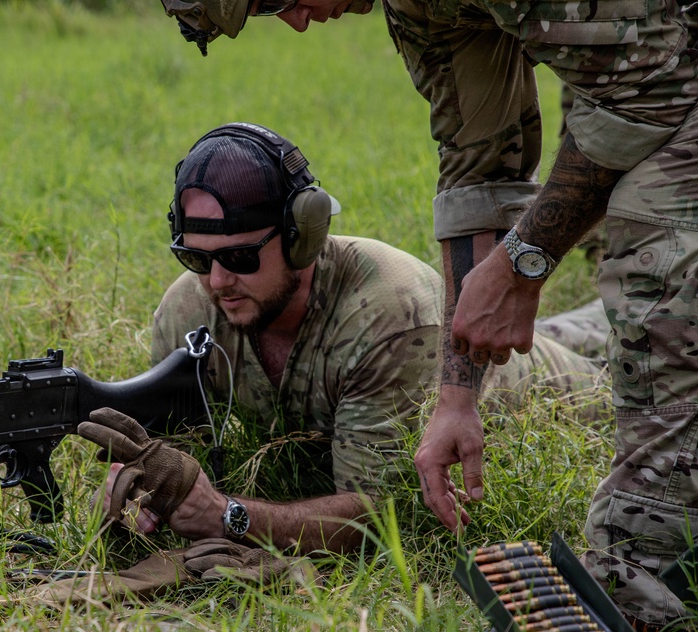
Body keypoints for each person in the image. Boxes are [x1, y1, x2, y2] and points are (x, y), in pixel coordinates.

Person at [156, 0, 698, 632]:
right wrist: (457, 395)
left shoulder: (386, 310)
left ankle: (644, 587)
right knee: (590, 330)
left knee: (654, 287)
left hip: (664, 80)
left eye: (278, 0)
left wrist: (523, 260)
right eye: (198, 260)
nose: (298, 23)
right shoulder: (422, 15)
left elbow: (652, 86)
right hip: (645, 90)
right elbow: (480, 164)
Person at [85, 121, 607, 556]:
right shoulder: (187, 311)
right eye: (196, 258)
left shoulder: (390, 313)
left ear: (302, 236)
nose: (217, 281)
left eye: (240, 257)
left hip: (546, 382)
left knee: (627, 345)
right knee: (581, 324)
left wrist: (227, 515)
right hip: (470, 351)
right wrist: (144, 489)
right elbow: (175, 456)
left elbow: (380, 516)